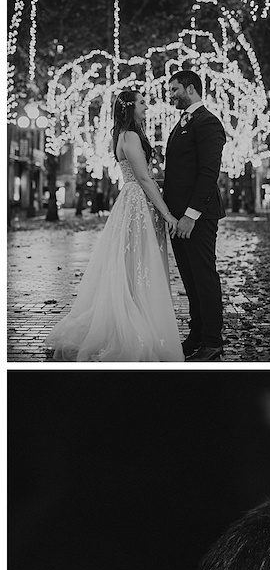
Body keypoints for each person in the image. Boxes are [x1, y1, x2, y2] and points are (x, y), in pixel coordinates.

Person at [44, 89, 183, 362]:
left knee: (136, 263)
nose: (147, 106)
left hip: (138, 203)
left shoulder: (128, 135)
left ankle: (141, 314)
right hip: (137, 203)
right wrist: (166, 213)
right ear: (130, 108)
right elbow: (143, 178)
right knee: (137, 262)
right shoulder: (129, 136)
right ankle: (134, 322)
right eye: (143, 103)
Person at [164, 69, 227, 362]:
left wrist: (191, 215)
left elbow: (208, 173)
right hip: (177, 217)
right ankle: (197, 335)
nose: (171, 94)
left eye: (174, 89)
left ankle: (213, 342)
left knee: (204, 276)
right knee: (190, 278)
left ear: (190, 89)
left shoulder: (209, 123)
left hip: (197, 217)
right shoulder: (181, 123)